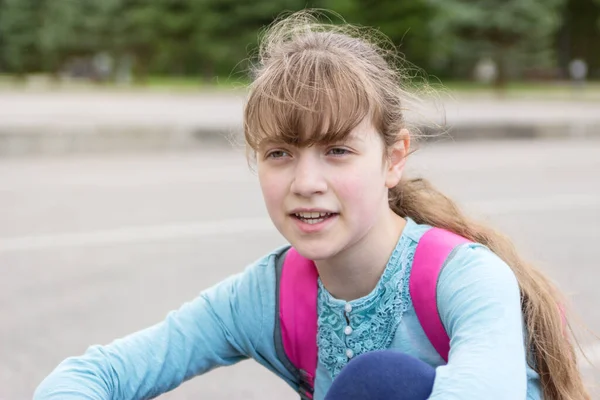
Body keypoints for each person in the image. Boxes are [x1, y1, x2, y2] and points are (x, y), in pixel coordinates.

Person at [34, 9, 591, 400]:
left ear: (394, 158)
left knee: (382, 383)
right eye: (280, 153)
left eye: (338, 151)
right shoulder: (267, 297)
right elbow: (94, 375)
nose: (306, 181)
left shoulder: (466, 278)